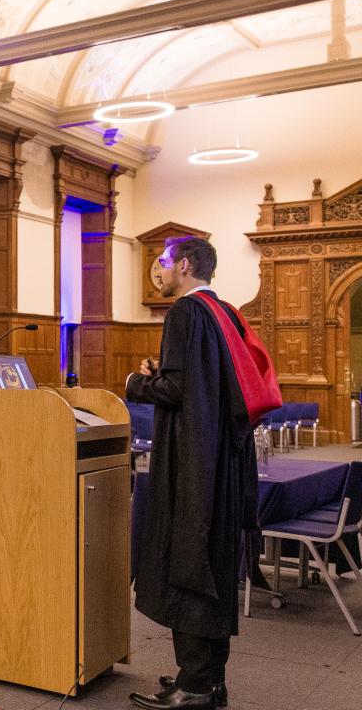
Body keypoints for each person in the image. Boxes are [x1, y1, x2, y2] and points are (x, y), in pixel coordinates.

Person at [126, 237, 256, 710]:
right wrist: (165, 372)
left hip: (193, 461)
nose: (157, 270)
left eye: (162, 262)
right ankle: (208, 679)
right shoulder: (225, 312)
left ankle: (195, 687)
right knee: (214, 560)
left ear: (183, 265)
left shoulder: (184, 312)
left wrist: (137, 382)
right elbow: (206, 383)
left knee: (189, 558)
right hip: (223, 458)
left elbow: (179, 388)